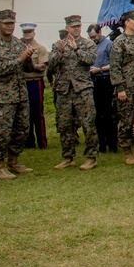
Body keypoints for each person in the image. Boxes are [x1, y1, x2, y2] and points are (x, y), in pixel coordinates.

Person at [0, 9, 36, 180]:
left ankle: (13, 161)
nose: (10, 26)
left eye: (12, 23)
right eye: (6, 23)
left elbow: (29, 69)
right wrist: (19, 60)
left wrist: (28, 59)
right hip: (1, 96)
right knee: (2, 132)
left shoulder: (19, 44)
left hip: (20, 94)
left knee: (21, 130)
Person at [47, 15, 99, 171]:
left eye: (78, 26)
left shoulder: (87, 44)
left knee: (88, 124)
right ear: (67, 28)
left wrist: (76, 49)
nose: (76, 29)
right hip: (64, 90)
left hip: (82, 89)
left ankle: (91, 157)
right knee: (65, 126)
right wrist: (60, 53)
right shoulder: (58, 45)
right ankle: (68, 157)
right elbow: (50, 66)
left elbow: (91, 59)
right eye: (73, 26)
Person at [111, 10, 134, 166]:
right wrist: (120, 88)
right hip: (126, 88)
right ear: (127, 22)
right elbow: (115, 66)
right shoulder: (119, 42)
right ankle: (127, 152)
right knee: (126, 121)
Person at [88, 23, 117, 153]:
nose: (93, 39)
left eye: (94, 36)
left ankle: (112, 144)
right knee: (97, 115)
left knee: (108, 115)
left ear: (100, 32)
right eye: (91, 37)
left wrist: (99, 69)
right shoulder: (91, 46)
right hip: (94, 82)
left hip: (105, 81)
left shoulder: (108, 44)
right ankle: (101, 145)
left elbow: (114, 64)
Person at [19, 23, 49, 149]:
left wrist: (31, 67)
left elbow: (42, 67)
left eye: (29, 32)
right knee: (25, 113)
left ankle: (42, 142)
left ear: (34, 33)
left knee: (38, 113)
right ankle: (28, 141)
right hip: (23, 82)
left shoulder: (40, 48)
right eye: (25, 32)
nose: (27, 34)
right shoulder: (19, 48)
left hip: (35, 82)